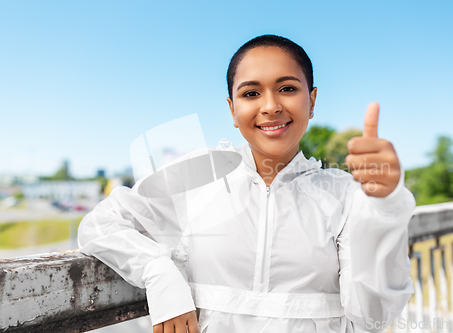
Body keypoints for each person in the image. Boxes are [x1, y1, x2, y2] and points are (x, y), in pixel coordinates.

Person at [78, 34, 416, 333]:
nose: (270, 106)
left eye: (287, 89)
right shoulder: (199, 173)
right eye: (251, 93)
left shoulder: (343, 194)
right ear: (232, 108)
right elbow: (101, 225)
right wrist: (158, 272)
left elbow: (373, 316)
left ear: (311, 101)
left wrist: (385, 205)